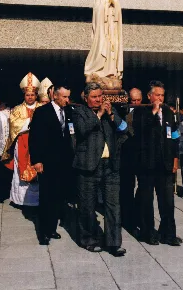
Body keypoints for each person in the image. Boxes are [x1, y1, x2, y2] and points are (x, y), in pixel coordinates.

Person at [72, 82, 127, 256]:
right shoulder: (79, 112)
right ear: (86, 98)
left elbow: (124, 129)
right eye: (94, 97)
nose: (98, 100)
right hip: (88, 166)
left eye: (100, 96)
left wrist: (111, 115)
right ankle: (89, 239)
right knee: (87, 205)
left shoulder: (110, 111)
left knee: (113, 205)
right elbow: (82, 130)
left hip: (109, 166)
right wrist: (99, 115)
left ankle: (114, 243)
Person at [133, 80, 181, 246]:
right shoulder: (141, 112)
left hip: (165, 164)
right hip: (147, 165)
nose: (160, 98)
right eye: (157, 95)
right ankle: (148, 232)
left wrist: (175, 159)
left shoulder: (169, 112)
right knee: (147, 201)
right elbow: (140, 133)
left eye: (162, 95)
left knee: (167, 201)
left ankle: (168, 233)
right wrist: (153, 113)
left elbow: (174, 136)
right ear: (149, 96)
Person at [29, 85, 74, 245]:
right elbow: (34, 138)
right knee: (47, 197)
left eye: (68, 97)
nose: (67, 100)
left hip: (63, 163)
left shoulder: (68, 112)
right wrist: (37, 160)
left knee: (58, 197)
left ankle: (52, 228)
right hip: (47, 162)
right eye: (64, 97)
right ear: (55, 96)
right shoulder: (42, 112)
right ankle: (43, 233)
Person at [2, 72, 41, 207]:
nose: (30, 97)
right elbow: (14, 125)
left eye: (32, 95)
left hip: (38, 144)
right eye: (27, 95)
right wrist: (31, 121)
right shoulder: (18, 109)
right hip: (22, 143)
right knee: (21, 169)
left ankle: (36, 201)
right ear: (24, 95)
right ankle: (20, 200)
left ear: (36, 95)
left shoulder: (42, 108)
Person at [84, 0, 123, 80]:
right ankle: (97, 69)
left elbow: (118, 11)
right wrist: (107, 4)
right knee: (102, 44)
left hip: (112, 25)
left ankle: (111, 70)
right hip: (103, 26)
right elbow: (97, 9)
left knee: (113, 46)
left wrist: (114, 4)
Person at [119, 87, 142, 233]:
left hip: (141, 155)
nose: (135, 103)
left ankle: (138, 215)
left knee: (142, 188)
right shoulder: (123, 111)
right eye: (132, 100)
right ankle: (126, 218)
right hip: (126, 155)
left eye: (137, 100)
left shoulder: (146, 112)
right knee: (126, 187)